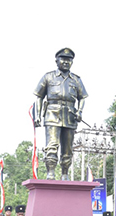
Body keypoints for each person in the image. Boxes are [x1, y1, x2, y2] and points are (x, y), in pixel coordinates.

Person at [33, 47, 88, 181]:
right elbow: (39, 96)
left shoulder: (76, 80)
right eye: (63, 59)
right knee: (52, 145)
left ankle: (65, 173)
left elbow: (82, 97)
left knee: (68, 147)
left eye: (69, 60)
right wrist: (38, 115)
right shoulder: (48, 77)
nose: (66, 62)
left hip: (70, 115)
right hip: (52, 113)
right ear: (56, 61)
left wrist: (80, 111)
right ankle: (50, 172)